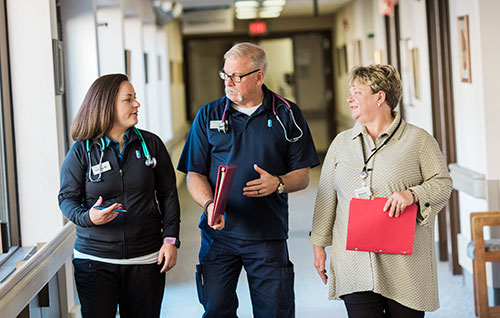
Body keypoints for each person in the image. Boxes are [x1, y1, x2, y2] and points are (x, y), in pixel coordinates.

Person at [177, 42, 320, 318]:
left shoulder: (287, 114)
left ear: (259, 76)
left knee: (274, 313)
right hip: (218, 236)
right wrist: (209, 205)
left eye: (237, 76)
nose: (229, 82)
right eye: (225, 75)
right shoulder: (209, 115)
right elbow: (194, 173)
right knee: (217, 309)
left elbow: (303, 175)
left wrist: (277, 183)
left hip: (267, 236)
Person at [310, 64, 453, 318]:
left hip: (405, 262)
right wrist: (319, 244)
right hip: (353, 260)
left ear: (380, 97)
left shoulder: (418, 141)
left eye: (357, 91)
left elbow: (443, 183)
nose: (349, 98)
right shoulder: (341, 143)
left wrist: (414, 194)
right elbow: (326, 197)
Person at [58, 74, 180, 318]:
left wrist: (170, 240)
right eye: (129, 99)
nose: (137, 104)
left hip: (146, 259)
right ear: (107, 106)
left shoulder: (151, 144)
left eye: (135, 98)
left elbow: (168, 195)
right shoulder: (83, 151)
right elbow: (67, 199)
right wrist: (88, 217)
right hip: (94, 261)